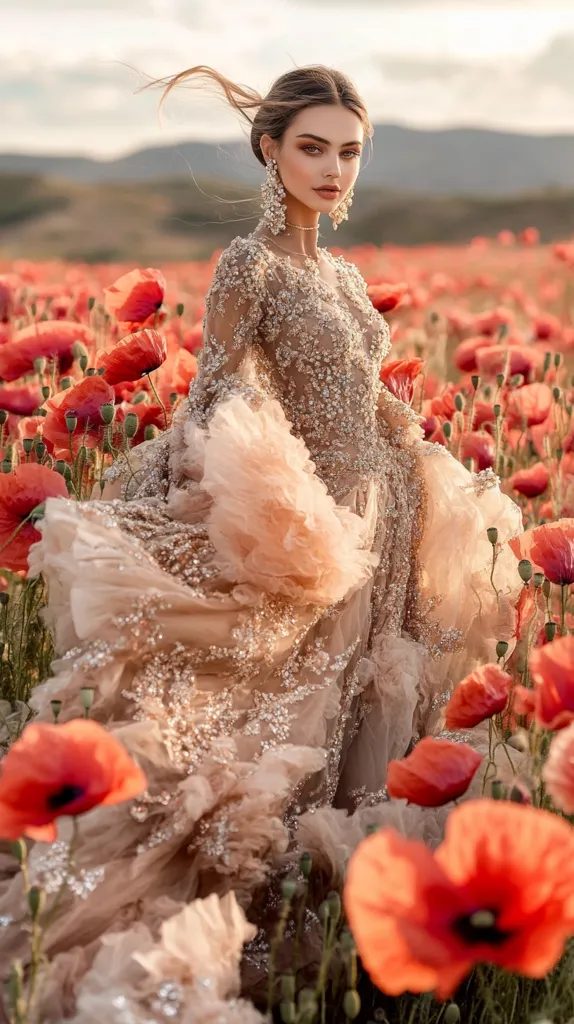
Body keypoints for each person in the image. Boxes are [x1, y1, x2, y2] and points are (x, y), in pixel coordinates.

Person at [0, 65, 522, 1020]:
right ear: (270, 150)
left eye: (349, 151)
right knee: (292, 730)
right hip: (318, 527)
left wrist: (425, 454)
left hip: (390, 519)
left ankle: (367, 946)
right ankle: (244, 936)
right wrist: (257, 499)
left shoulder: (344, 274)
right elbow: (216, 397)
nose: (332, 168)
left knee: (374, 724)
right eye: (312, 147)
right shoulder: (252, 267)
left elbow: (365, 390)